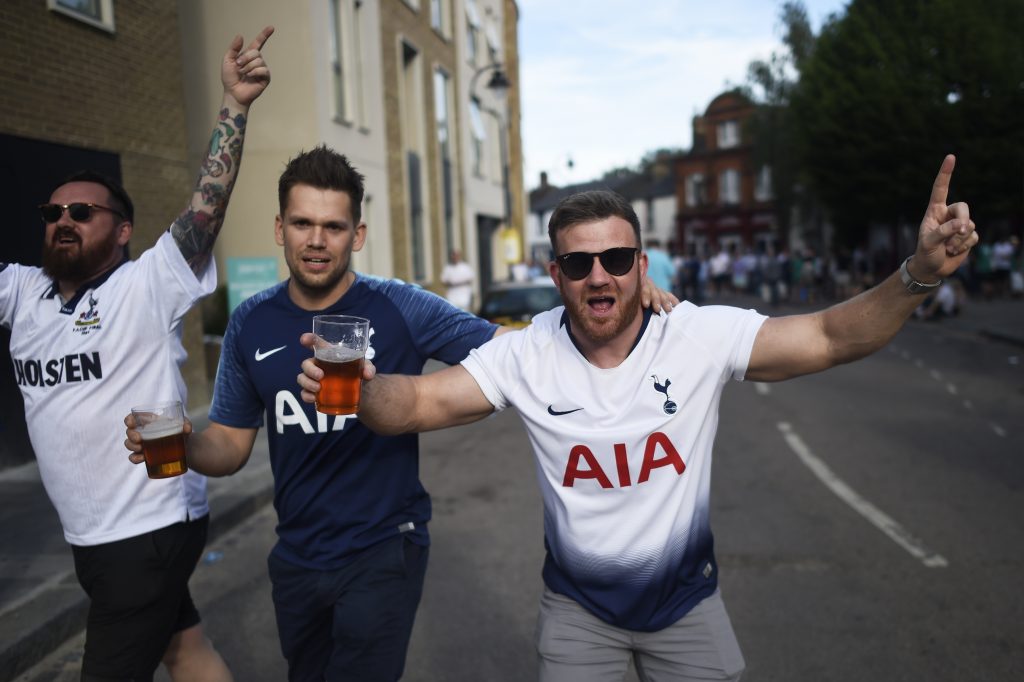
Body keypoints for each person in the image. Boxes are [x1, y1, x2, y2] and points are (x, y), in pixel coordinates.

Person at [297, 155, 976, 681]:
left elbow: (831, 336)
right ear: (556, 272)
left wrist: (917, 273)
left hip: (687, 606)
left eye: (617, 260)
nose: (601, 276)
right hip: (577, 613)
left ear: (641, 265)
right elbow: (414, 404)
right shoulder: (527, 352)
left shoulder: (696, 335)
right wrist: (363, 390)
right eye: (579, 262)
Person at [122, 145, 679, 680]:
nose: (317, 241)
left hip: (384, 545)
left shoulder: (399, 305)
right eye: (302, 224)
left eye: (334, 227)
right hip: (296, 553)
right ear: (279, 229)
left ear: (357, 235)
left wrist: (619, 288)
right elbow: (231, 445)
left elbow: (519, 351)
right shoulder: (251, 322)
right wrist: (183, 446)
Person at [0, 26, 273, 681]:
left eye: (83, 213)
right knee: (184, 648)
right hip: (91, 534)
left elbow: (206, 212)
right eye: (54, 211)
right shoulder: (20, 290)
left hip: (147, 529)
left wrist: (234, 106)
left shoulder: (145, 285)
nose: (63, 220)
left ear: (121, 232)